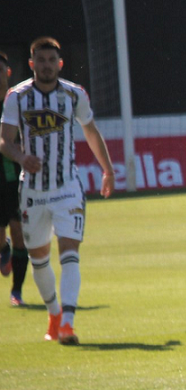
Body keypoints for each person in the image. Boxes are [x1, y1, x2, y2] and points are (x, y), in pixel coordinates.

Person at [0, 37, 114, 344]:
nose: (47, 65)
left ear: (60, 64)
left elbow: (91, 131)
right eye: (41, 60)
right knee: (39, 258)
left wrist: (108, 170)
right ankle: (54, 314)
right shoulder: (17, 97)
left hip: (67, 188)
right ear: (31, 63)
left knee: (70, 253)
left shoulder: (74, 95)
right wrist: (21, 157)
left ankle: (68, 323)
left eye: (52, 60)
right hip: (33, 191)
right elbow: (4, 140)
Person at [0, 51, 30, 305]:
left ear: (8, 72)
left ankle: (16, 291)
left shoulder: (18, 102)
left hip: (15, 179)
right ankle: (3, 248)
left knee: (20, 232)